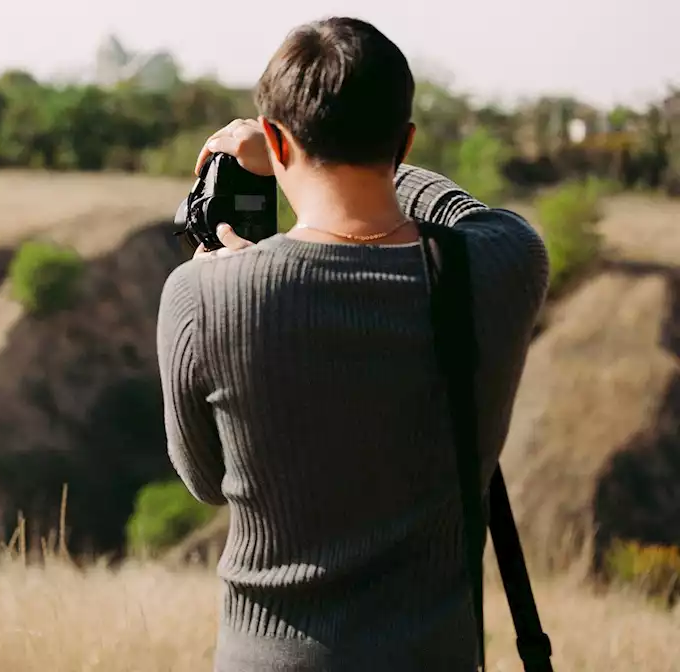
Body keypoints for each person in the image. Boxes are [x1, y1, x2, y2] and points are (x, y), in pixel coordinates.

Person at [156, 17, 550, 672]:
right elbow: (460, 212)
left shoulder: (202, 296)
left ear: (278, 143)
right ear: (406, 141)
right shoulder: (505, 265)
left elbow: (204, 481)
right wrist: (373, 154)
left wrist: (232, 271)